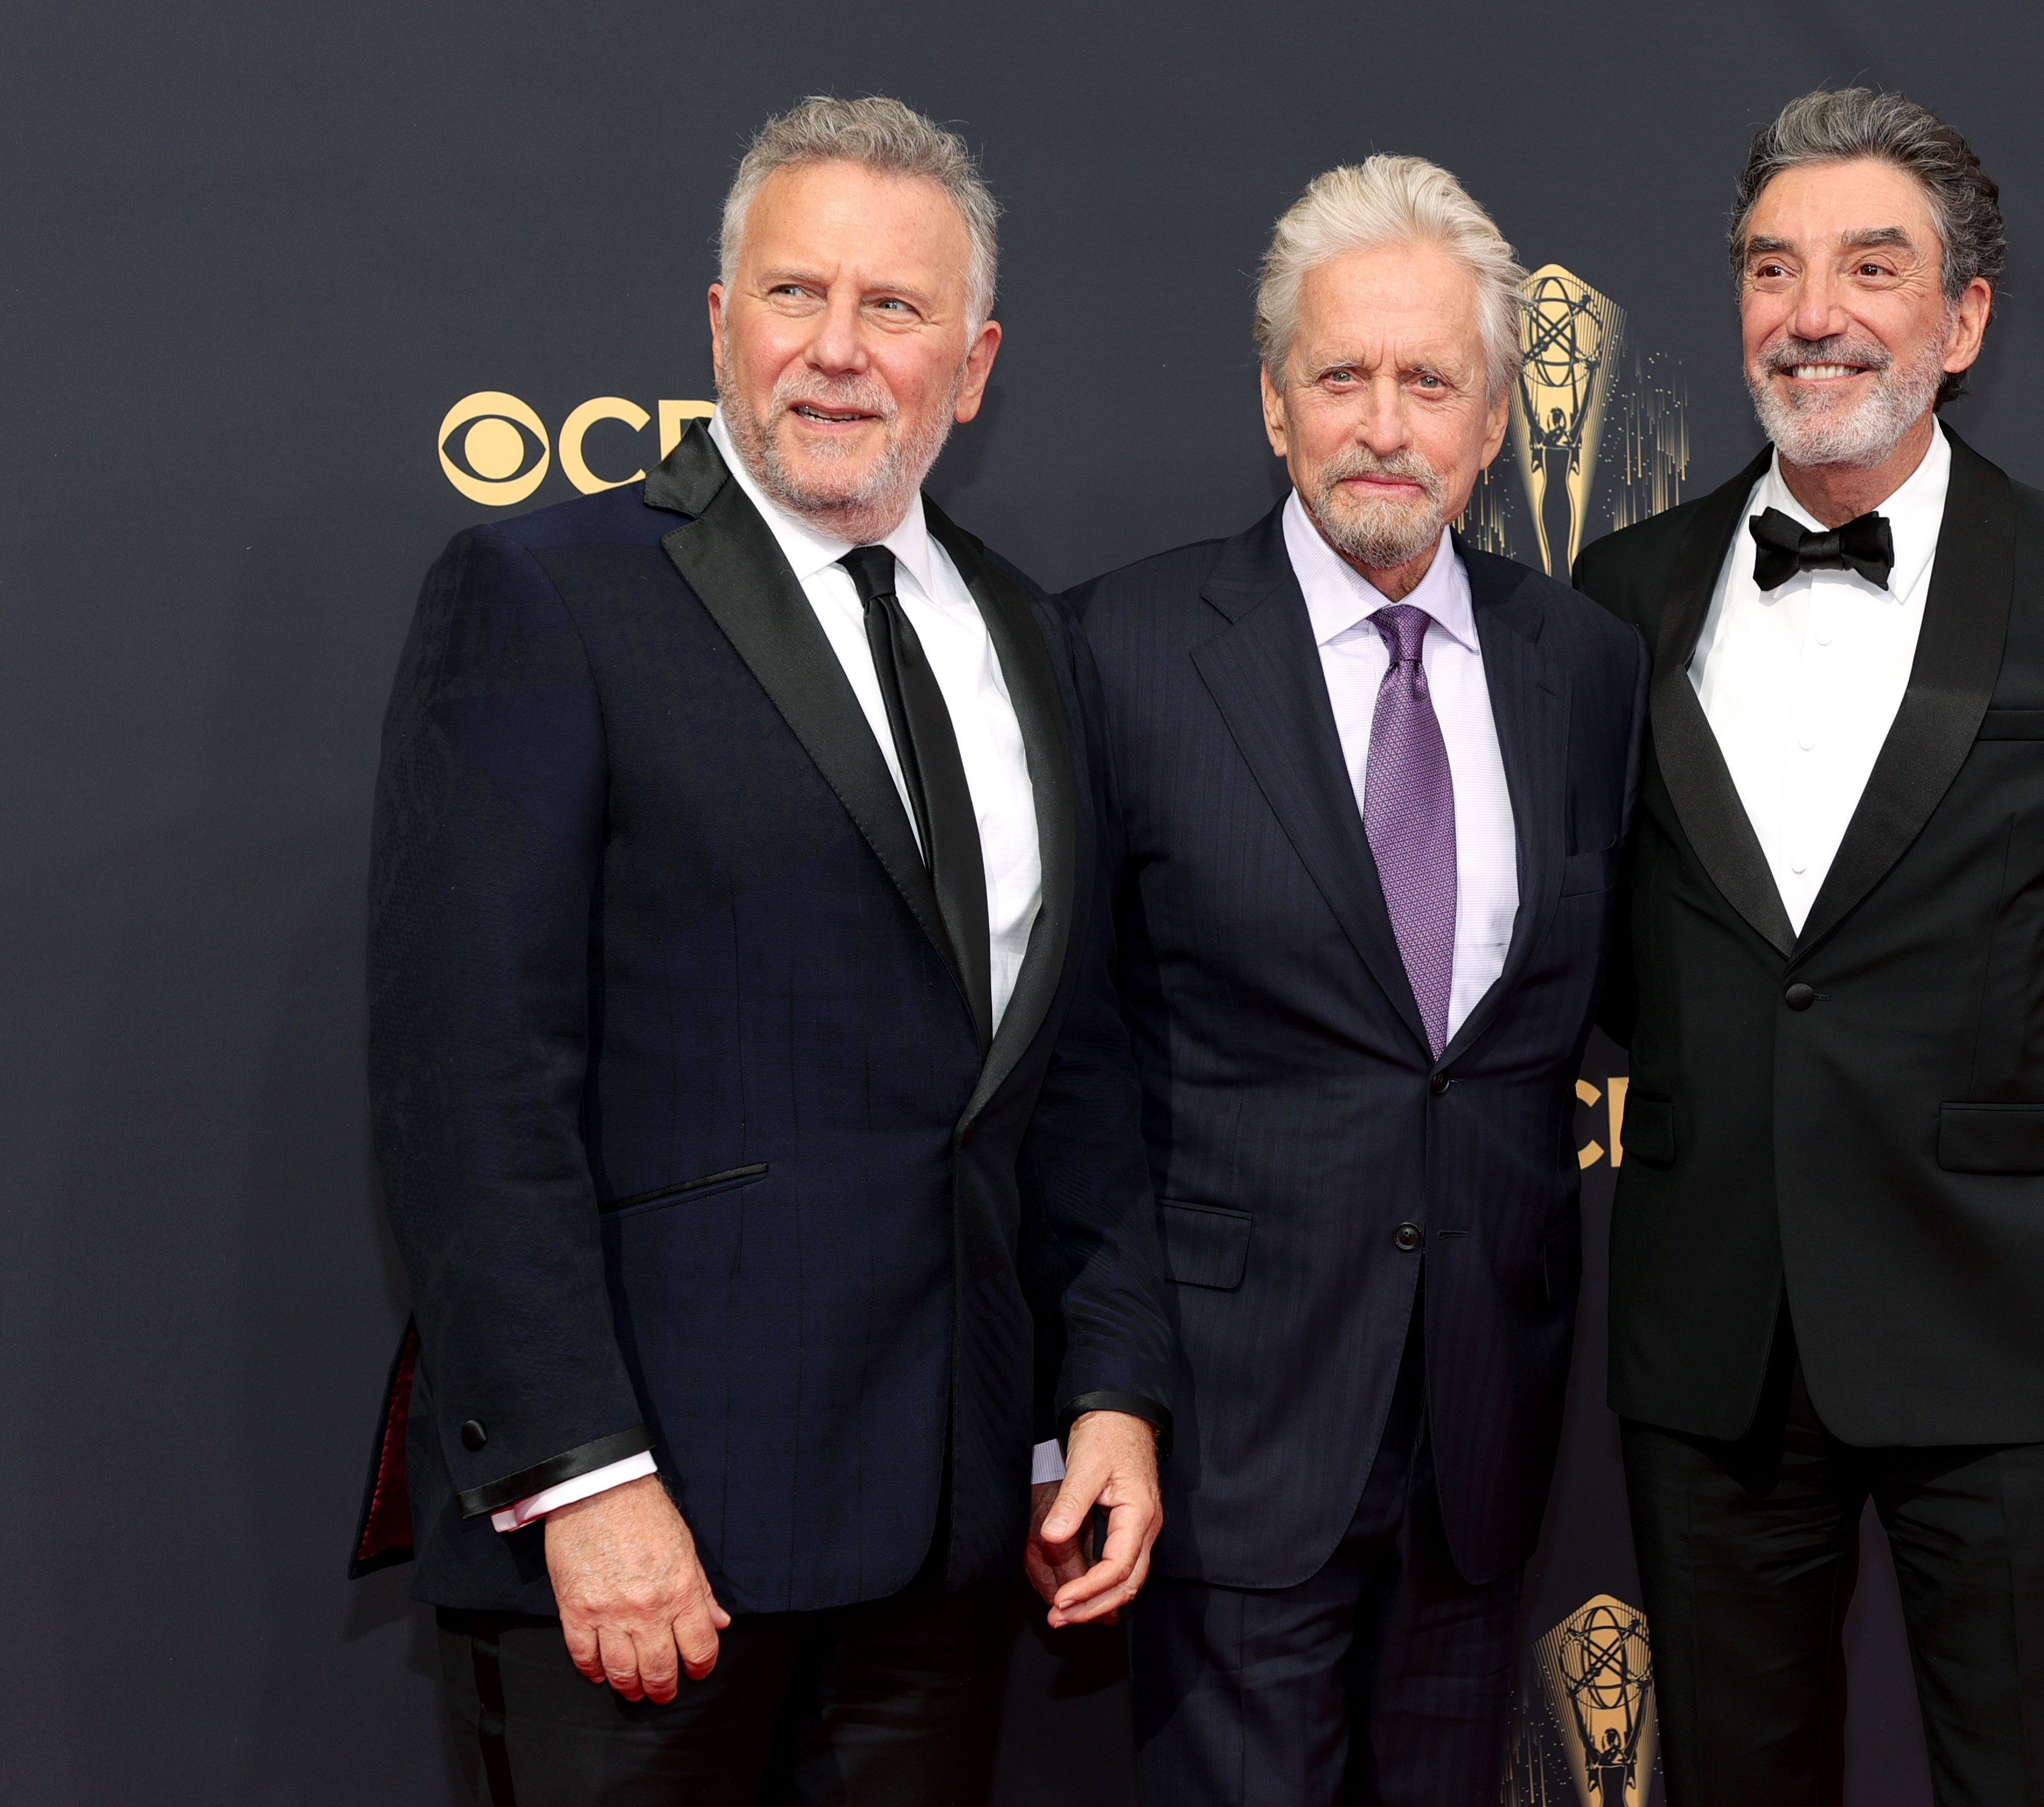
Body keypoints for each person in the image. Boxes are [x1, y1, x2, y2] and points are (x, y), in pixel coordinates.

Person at [357, 95, 1171, 1805]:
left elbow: (1071, 1066)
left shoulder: (1030, 632)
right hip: (660, 1555)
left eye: (894, 309)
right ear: (720, 325)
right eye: (795, 295)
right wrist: (584, 1480)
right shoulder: (549, 592)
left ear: (974, 361)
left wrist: (1095, 1397)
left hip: (945, 1545)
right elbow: (471, 1083)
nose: (837, 351)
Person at [1570, 89, 2044, 1806]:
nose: (1811, 311)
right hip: (1712, 1343)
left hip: (2009, 1348)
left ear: (1960, 320)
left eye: (1869, 267)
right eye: (1770, 266)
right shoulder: (1619, 589)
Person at [1066, 156, 1646, 1806]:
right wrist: (1094, 1392)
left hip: (1484, 1424)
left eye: (1428, 381)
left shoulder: (1584, 667)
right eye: (1340, 377)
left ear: (1488, 423)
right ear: (1272, 405)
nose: (1381, 424)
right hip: (1231, 1427)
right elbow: (1073, 1065)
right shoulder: (1116, 652)